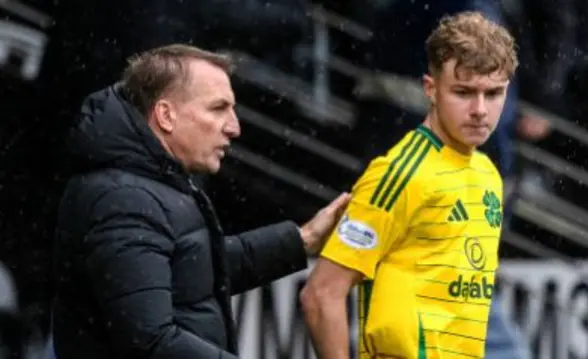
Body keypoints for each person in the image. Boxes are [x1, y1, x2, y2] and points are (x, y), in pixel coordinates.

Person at [51, 44, 350, 359]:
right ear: (166, 115)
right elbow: (151, 342)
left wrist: (301, 241)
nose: (234, 127)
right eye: (218, 108)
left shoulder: (143, 183)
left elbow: (190, 270)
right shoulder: (126, 197)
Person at [301, 11, 517, 359]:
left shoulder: (487, 172)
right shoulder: (399, 173)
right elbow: (320, 293)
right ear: (430, 89)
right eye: (463, 92)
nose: (480, 109)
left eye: (493, 93)